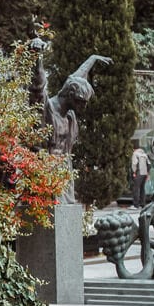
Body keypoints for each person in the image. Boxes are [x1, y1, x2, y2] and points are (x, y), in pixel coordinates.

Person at [28, 40, 111, 203]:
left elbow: (76, 77)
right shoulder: (47, 108)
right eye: (82, 102)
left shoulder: (70, 115)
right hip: (46, 171)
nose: (84, 107)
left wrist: (92, 59)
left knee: (68, 209)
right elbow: (38, 86)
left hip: (65, 170)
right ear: (71, 96)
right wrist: (37, 57)